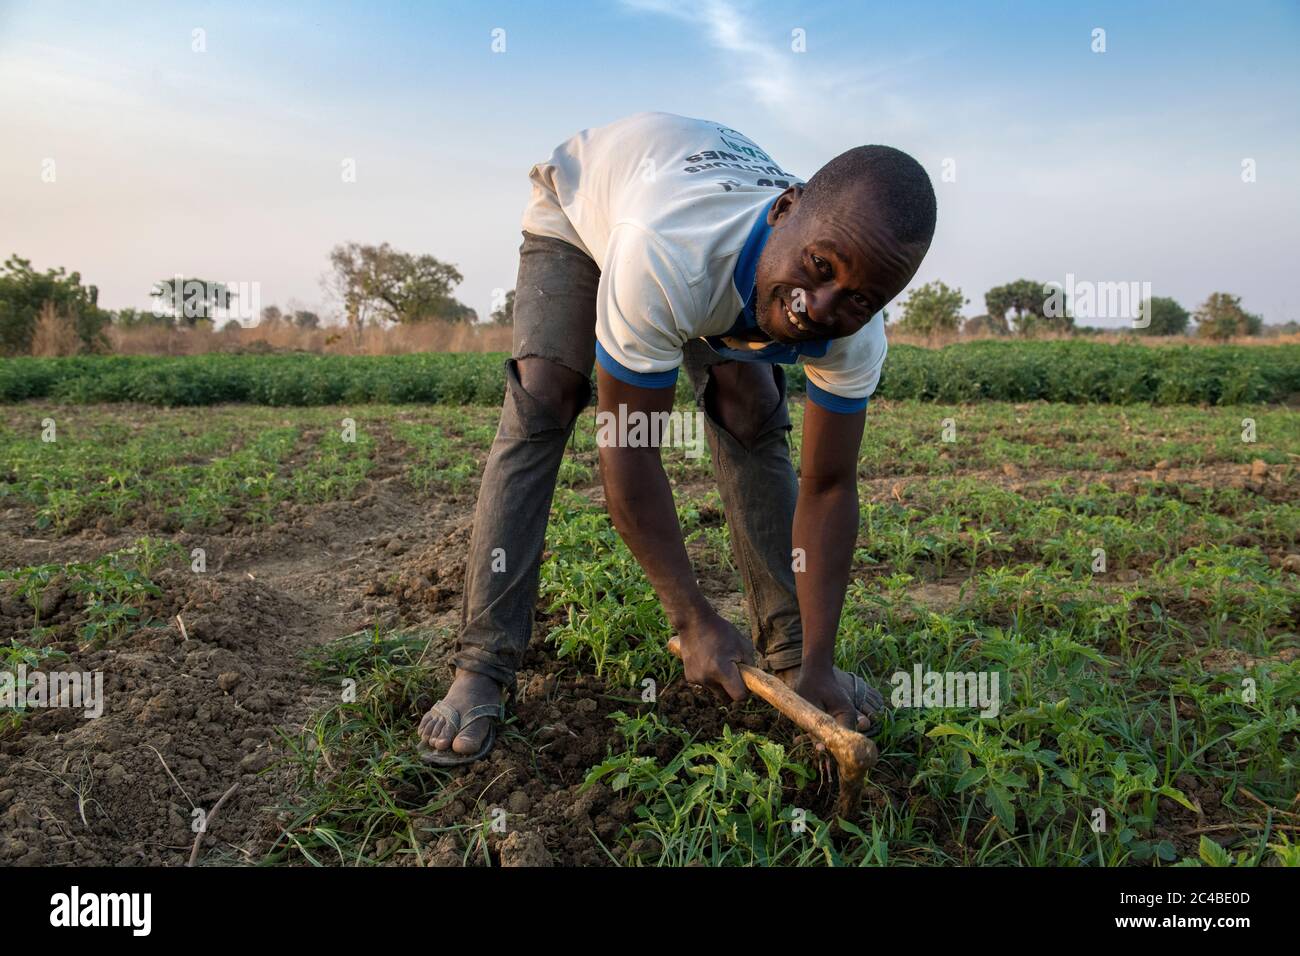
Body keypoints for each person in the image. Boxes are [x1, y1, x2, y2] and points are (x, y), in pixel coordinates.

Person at [418, 111, 936, 764]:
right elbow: (630, 454)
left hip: (707, 246)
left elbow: (829, 486)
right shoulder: (667, 250)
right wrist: (691, 619)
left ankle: (792, 650)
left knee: (749, 401)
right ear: (785, 210)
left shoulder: (853, 325)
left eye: (859, 299)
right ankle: (481, 666)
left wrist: (822, 662)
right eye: (817, 266)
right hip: (585, 212)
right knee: (545, 394)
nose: (821, 307)